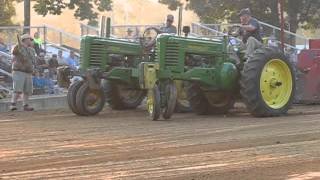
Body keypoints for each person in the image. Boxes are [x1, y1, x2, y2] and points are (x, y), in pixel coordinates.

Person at [10, 34, 37, 111]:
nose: (31, 41)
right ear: (24, 40)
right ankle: (13, 104)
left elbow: (33, 60)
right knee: (17, 89)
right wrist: (20, 45)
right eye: (29, 39)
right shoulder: (17, 47)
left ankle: (25, 105)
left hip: (28, 72)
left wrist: (34, 69)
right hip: (19, 71)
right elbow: (14, 52)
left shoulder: (32, 50)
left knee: (27, 90)